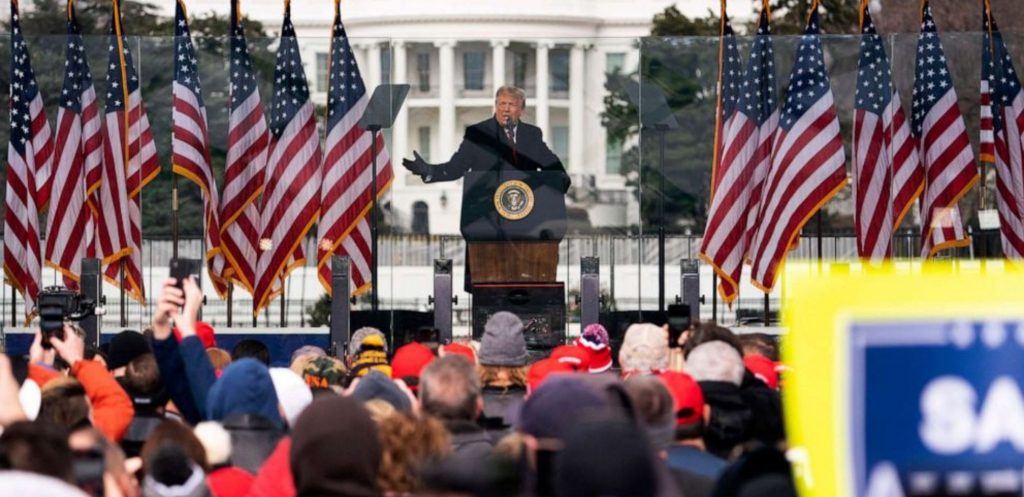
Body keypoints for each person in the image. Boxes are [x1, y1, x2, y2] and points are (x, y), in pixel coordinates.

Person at [402, 85, 571, 194]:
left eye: (511, 105)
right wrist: (427, 170)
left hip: (524, 210)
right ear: (496, 106)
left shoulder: (532, 135)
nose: (505, 109)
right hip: (484, 213)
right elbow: (455, 168)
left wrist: (560, 181)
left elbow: (552, 166)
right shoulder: (477, 134)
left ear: (522, 109)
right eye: (501, 104)